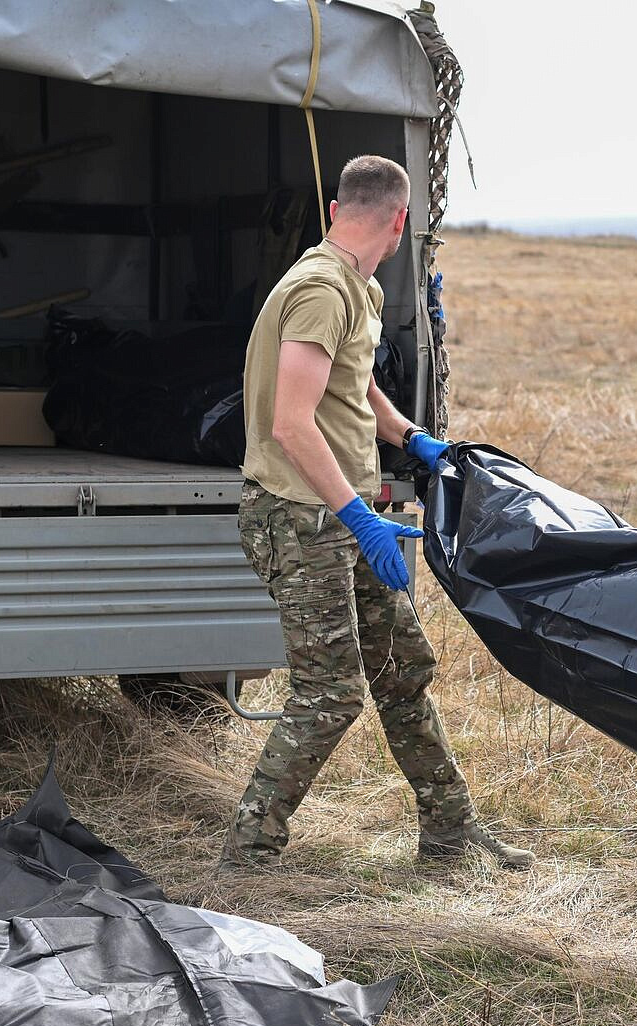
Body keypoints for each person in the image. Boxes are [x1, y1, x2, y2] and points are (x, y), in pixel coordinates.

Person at [224, 154, 532, 871]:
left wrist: (409, 436)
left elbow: (353, 384)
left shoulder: (355, 286)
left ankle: (450, 832)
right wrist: (358, 519)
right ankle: (248, 854)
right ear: (400, 223)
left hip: (341, 512)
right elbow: (291, 423)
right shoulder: (320, 291)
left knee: (401, 671)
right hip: (301, 520)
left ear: (337, 211)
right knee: (328, 694)